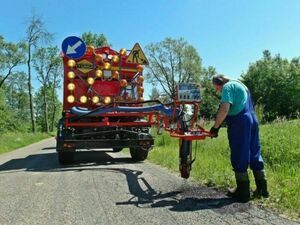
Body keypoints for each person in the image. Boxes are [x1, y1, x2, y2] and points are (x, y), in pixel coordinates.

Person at [210, 74, 269, 202]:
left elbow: (225, 108)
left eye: (217, 88)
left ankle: (243, 191)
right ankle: (262, 189)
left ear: (219, 81)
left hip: (240, 121)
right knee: (254, 152)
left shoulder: (228, 87)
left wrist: (215, 127)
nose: (218, 91)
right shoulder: (242, 85)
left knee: (239, 152)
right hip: (252, 119)